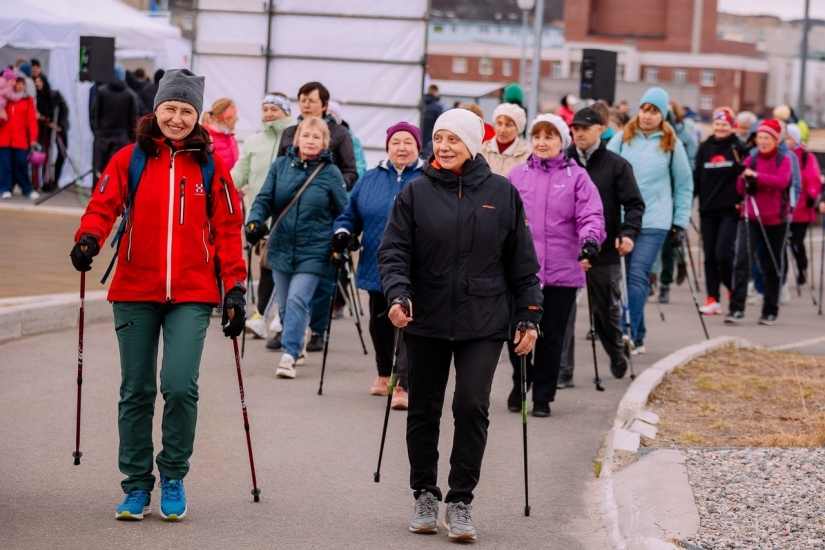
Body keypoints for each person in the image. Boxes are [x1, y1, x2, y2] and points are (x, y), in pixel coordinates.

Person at [69, 69, 247, 521]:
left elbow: (227, 230)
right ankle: (135, 485)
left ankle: (172, 475)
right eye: (170, 108)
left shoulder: (211, 165)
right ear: (156, 109)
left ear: (197, 116)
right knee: (137, 390)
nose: (177, 118)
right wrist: (89, 238)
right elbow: (102, 206)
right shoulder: (129, 159)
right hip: (135, 288)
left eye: (187, 110)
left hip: (192, 291)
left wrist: (236, 289)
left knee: (180, 386)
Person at [378, 108, 542, 541]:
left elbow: (523, 263)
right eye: (439, 138)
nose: (445, 147)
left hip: (484, 319)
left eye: (454, 139)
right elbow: (393, 252)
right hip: (425, 318)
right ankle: (425, 493)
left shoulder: (502, 193)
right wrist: (398, 294)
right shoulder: (414, 193)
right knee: (424, 408)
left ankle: (461, 500)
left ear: (472, 144)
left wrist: (528, 314)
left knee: (472, 406)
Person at [506, 113, 605, 414]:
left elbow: (591, 215)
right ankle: (521, 381)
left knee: (551, 337)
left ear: (562, 141)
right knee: (516, 330)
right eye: (537, 136)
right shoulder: (516, 175)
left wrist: (590, 241)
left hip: (562, 271)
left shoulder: (577, 176)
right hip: (523, 272)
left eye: (549, 136)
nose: (541, 142)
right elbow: (502, 218)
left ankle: (542, 397)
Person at [245, 116, 347, 378]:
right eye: (306, 135)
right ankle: (296, 337)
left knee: (297, 299)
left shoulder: (330, 173)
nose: (310, 141)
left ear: (324, 142)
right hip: (281, 245)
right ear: (297, 138)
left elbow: (343, 212)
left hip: (315, 249)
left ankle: (289, 354)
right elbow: (264, 198)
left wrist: (342, 238)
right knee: (285, 306)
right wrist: (255, 220)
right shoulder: (280, 166)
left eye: (316, 137)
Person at [333, 122, 424, 409]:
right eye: (396, 141)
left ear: (418, 147)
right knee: (380, 323)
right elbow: (350, 215)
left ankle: (404, 383)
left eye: (408, 142)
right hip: (377, 263)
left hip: (419, 265)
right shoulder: (370, 178)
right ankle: (385, 373)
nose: (401, 147)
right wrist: (343, 232)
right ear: (387, 146)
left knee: (411, 324)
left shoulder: (429, 178)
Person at [607, 87, 693, 354]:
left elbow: (683, 184)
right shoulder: (622, 138)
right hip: (623, 218)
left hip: (655, 219)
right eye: (644, 109)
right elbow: (603, 170)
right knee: (626, 277)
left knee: (637, 274)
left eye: (654, 111)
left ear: (663, 115)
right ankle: (638, 334)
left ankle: (627, 331)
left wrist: (680, 221)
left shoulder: (672, 144)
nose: (647, 116)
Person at [276, 82, 356, 353]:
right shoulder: (289, 132)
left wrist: (331, 186)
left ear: (324, 104)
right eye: (302, 100)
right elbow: (279, 171)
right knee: (284, 282)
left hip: (324, 215)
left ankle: (319, 330)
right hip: (289, 220)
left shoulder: (339, 134)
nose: (306, 105)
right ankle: (290, 331)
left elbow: (350, 170)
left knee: (321, 281)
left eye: (311, 100)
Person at [567, 107, 645, 382]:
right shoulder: (564, 161)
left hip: (606, 248)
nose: (578, 134)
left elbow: (634, 204)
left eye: (584, 129)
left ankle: (616, 352)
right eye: (575, 129)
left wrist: (628, 234)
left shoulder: (616, 164)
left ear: (600, 129)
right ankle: (564, 371)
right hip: (568, 250)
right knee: (563, 310)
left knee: (606, 312)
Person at [231, 93, 294, 339]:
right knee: (266, 264)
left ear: (286, 112)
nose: (268, 114)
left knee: (276, 264)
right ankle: (269, 315)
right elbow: (240, 171)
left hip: (287, 214)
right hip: (259, 215)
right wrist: (221, 185)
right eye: (265, 109)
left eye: (274, 109)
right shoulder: (254, 141)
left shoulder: (295, 137)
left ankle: (269, 315)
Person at [727, 119, 793, 326]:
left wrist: (757, 177)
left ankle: (770, 310)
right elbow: (740, 189)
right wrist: (742, 176)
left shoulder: (784, 159)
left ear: (776, 140)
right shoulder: (750, 159)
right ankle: (736, 309)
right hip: (750, 217)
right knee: (741, 262)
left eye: (767, 138)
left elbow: (782, 182)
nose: (763, 142)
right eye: (760, 137)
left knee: (771, 264)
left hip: (776, 220)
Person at [693, 107, 748, 315]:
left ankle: (732, 288)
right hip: (707, 209)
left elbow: (747, 166)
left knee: (723, 254)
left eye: (724, 124)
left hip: (730, 209)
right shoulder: (705, 147)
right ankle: (712, 297)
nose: (720, 128)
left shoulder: (737, 146)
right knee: (708, 256)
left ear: (731, 126)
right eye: (717, 124)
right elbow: (697, 176)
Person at [90, 64, 141, 189]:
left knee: (99, 168)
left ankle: (96, 195)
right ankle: (113, 195)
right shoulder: (130, 94)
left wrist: (96, 129)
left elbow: (94, 113)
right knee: (116, 168)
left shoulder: (101, 91)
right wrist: (131, 138)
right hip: (120, 136)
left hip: (103, 135)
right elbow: (134, 118)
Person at [784, 123, 822, 286]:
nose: (785, 141)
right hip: (784, 209)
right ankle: (782, 276)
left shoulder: (807, 157)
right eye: (784, 138)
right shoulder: (781, 155)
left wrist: (812, 196)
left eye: (789, 138)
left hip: (801, 210)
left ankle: (802, 266)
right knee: (783, 243)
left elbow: (814, 179)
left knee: (797, 243)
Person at [0, 76, 39, 200]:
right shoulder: (5, 99)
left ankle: (26, 189)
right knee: (5, 165)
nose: (19, 86)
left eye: (22, 84)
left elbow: (32, 121)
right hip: (4, 138)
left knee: (22, 163)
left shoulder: (28, 100)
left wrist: (33, 138)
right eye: (17, 83)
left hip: (20, 138)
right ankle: (6, 188)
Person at [478, 103, 531, 177]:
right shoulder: (483, 150)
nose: (502, 130)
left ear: (517, 129)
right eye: (499, 124)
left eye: (508, 125)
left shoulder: (526, 155)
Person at [327, 100, 367, 178]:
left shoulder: (352, 139)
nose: (328, 118)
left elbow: (360, 167)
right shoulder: (315, 138)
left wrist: (345, 182)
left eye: (331, 114)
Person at [202, 98, 240, 170]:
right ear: (226, 118)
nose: (237, 118)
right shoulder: (206, 138)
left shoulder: (230, 137)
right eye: (235, 114)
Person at [49, 85, 70, 186]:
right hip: (49, 129)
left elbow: (65, 113)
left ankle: (55, 179)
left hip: (60, 129)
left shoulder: (58, 98)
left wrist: (60, 126)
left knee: (62, 154)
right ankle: (48, 179)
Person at [420, 84, 444, 158]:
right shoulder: (437, 107)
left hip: (417, 139)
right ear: (435, 92)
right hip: (431, 141)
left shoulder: (419, 104)